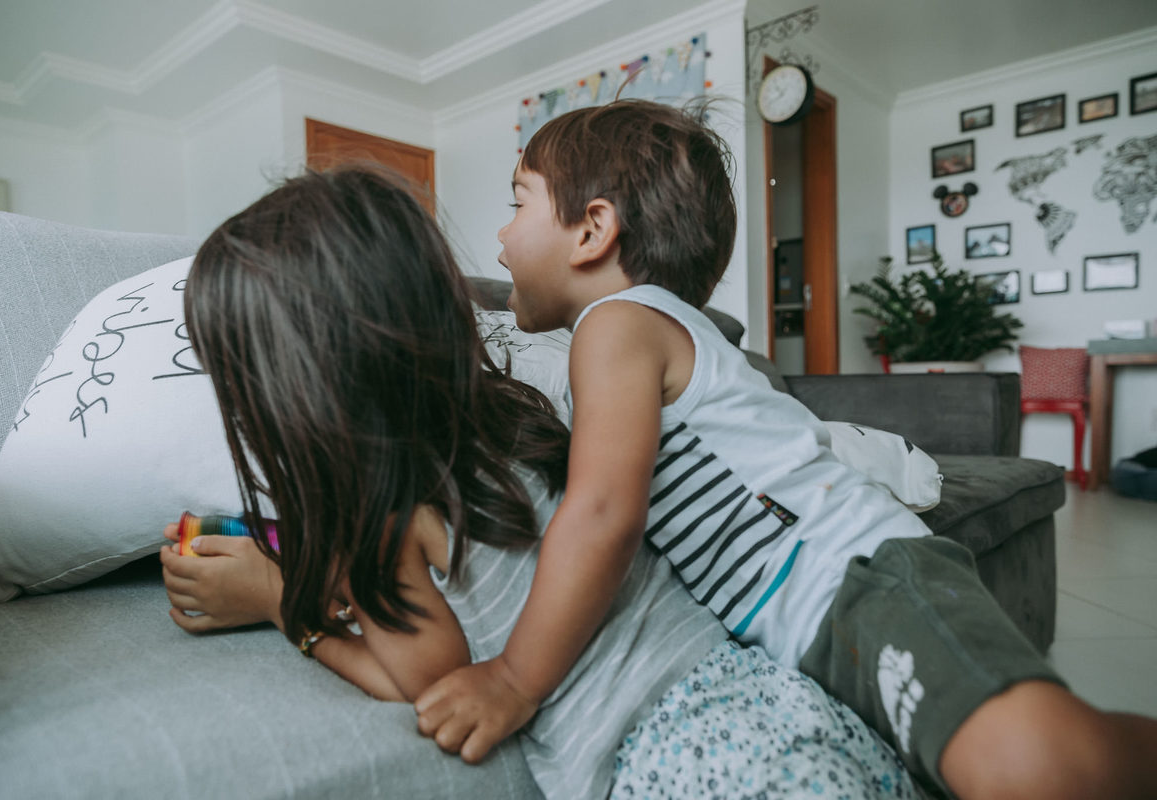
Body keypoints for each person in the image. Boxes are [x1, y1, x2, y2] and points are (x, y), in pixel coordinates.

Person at [412, 99, 1157, 799]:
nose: (503, 236)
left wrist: (514, 678)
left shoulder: (616, 327)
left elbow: (604, 511)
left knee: (1038, 768)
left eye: (518, 202)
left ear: (591, 229)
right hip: (812, 625)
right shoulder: (636, 332)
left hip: (861, 583)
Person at [160, 166, 921, 799]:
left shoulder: (379, 516)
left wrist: (280, 604)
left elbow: (421, 675)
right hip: (767, 698)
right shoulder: (516, 419)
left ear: (297, 389)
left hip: (680, 757)